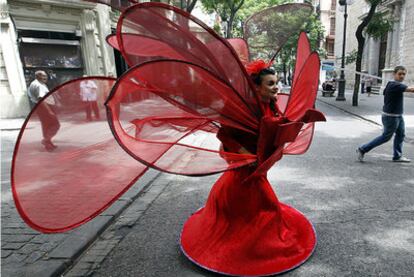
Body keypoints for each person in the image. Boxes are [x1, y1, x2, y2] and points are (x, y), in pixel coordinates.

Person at [357, 66, 414, 162]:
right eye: (400, 74)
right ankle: (362, 149)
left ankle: (397, 156)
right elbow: (412, 89)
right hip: (391, 117)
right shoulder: (395, 85)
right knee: (386, 137)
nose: (402, 76)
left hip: (398, 115)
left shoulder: (392, 84)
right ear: (394, 74)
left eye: (404, 74)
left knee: (401, 135)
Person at [27, 70, 60, 151]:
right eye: (43, 76)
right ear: (37, 76)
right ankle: (46, 140)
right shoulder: (39, 85)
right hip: (44, 108)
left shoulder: (38, 83)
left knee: (46, 126)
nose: (45, 77)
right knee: (56, 124)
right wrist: (49, 111)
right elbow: (41, 100)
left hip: (42, 108)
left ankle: (48, 144)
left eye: (45, 76)